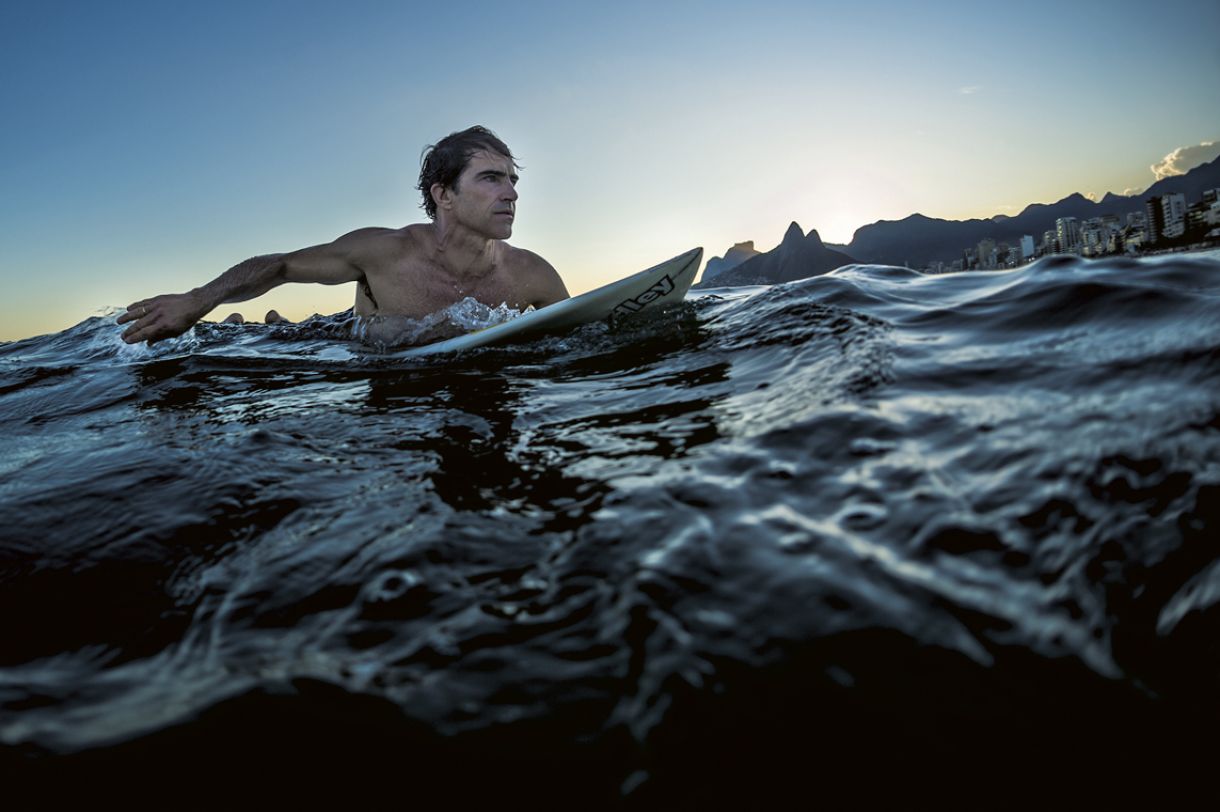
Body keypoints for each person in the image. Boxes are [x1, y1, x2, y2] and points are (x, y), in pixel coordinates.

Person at [119, 126, 569, 345]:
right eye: (491, 178)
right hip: (356, 357)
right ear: (444, 195)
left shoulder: (533, 275)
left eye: (513, 180)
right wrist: (198, 300)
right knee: (281, 336)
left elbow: (583, 335)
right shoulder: (382, 252)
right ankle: (261, 326)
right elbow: (280, 265)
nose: (511, 192)